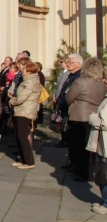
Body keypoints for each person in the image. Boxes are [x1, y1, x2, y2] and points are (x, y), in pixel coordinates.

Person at [65, 57, 106, 181]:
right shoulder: (101, 83)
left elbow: (69, 98)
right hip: (94, 115)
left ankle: (83, 173)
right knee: (90, 146)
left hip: (80, 115)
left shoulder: (80, 82)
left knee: (79, 145)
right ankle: (88, 170)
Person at [9, 61, 41, 169]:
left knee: (23, 137)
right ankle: (22, 160)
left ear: (28, 70)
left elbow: (22, 97)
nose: (21, 70)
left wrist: (12, 101)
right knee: (19, 136)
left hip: (25, 112)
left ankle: (29, 162)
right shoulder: (26, 80)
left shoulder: (31, 81)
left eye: (23, 68)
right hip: (21, 111)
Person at [85, 74, 107, 214]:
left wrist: (92, 117)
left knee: (103, 174)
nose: (104, 80)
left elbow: (104, 122)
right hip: (103, 143)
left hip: (105, 144)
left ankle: (106, 204)